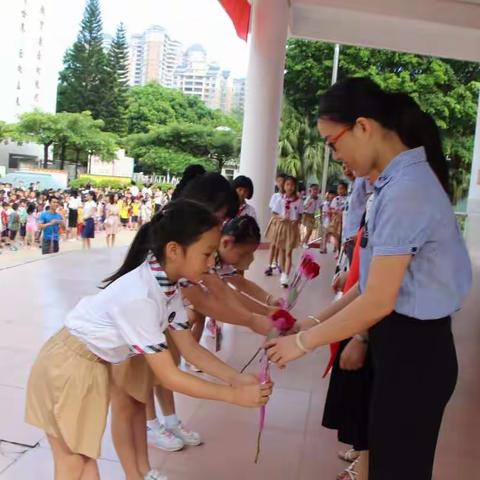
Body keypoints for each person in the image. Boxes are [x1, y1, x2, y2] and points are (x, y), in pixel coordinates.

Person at [265, 77, 472, 480]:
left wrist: (302, 344)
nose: (335, 156)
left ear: (363, 126)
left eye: (333, 142)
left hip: (416, 351)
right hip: (403, 347)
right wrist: (313, 322)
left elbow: (378, 300)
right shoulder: (393, 185)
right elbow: (369, 285)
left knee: (399, 469)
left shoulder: (406, 191)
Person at [26, 200, 272, 480]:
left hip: (85, 366)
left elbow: (190, 349)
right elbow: (168, 377)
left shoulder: (167, 288)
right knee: (74, 462)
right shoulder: (141, 297)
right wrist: (233, 395)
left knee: (82, 461)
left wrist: (237, 379)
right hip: (70, 367)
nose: (211, 262)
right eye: (206, 253)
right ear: (174, 250)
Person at [266, 176, 303, 288]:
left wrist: (297, 221)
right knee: (281, 250)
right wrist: (280, 218)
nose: (290, 187)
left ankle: (286, 276)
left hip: (291, 228)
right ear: (284, 186)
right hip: (281, 227)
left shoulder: (299, 201)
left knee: (288, 252)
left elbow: (300, 214)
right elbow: (274, 213)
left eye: (292, 185)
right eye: (287, 184)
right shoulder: (280, 199)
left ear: (295, 186)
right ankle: (283, 272)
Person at [264, 173, 286, 276]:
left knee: (281, 246)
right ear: (276, 183)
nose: (281, 183)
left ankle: (278, 264)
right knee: (273, 245)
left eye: (283, 181)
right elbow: (272, 210)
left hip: (285, 225)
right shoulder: (275, 196)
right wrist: (279, 218)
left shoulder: (290, 197)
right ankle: (270, 265)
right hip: (276, 222)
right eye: (279, 181)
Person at [301, 183, 322, 247]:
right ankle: (305, 243)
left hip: (314, 216)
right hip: (307, 215)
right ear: (310, 190)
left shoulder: (319, 199)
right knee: (309, 230)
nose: (315, 191)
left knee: (310, 230)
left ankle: (303, 242)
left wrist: (319, 218)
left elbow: (319, 209)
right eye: (314, 189)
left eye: (317, 189)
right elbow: (304, 207)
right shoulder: (308, 199)